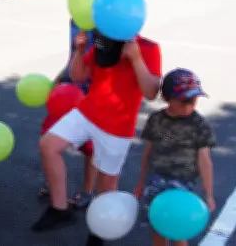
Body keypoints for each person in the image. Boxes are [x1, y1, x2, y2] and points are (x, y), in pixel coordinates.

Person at [32, 29, 162, 240]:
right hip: (87, 111)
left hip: (117, 126)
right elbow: (79, 76)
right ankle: (59, 209)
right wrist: (80, 50)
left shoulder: (148, 47)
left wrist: (136, 58)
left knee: (107, 184)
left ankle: (98, 231)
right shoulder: (103, 39)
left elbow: (151, 92)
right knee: (48, 145)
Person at [134, 68, 217, 246]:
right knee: (157, 225)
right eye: (183, 101)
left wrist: (208, 194)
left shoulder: (199, 125)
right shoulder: (156, 119)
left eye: (193, 100)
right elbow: (148, 151)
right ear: (167, 98)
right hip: (155, 181)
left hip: (182, 185)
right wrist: (141, 182)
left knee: (178, 229)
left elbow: (205, 162)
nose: (189, 106)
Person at [37, 0, 97, 208]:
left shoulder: (102, 25)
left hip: (92, 93)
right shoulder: (75, 20)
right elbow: (74, 55)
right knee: (49, 136)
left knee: (90, 147)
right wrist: (61, 76)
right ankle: (56, 187)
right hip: (70, 88)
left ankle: (87, 191)